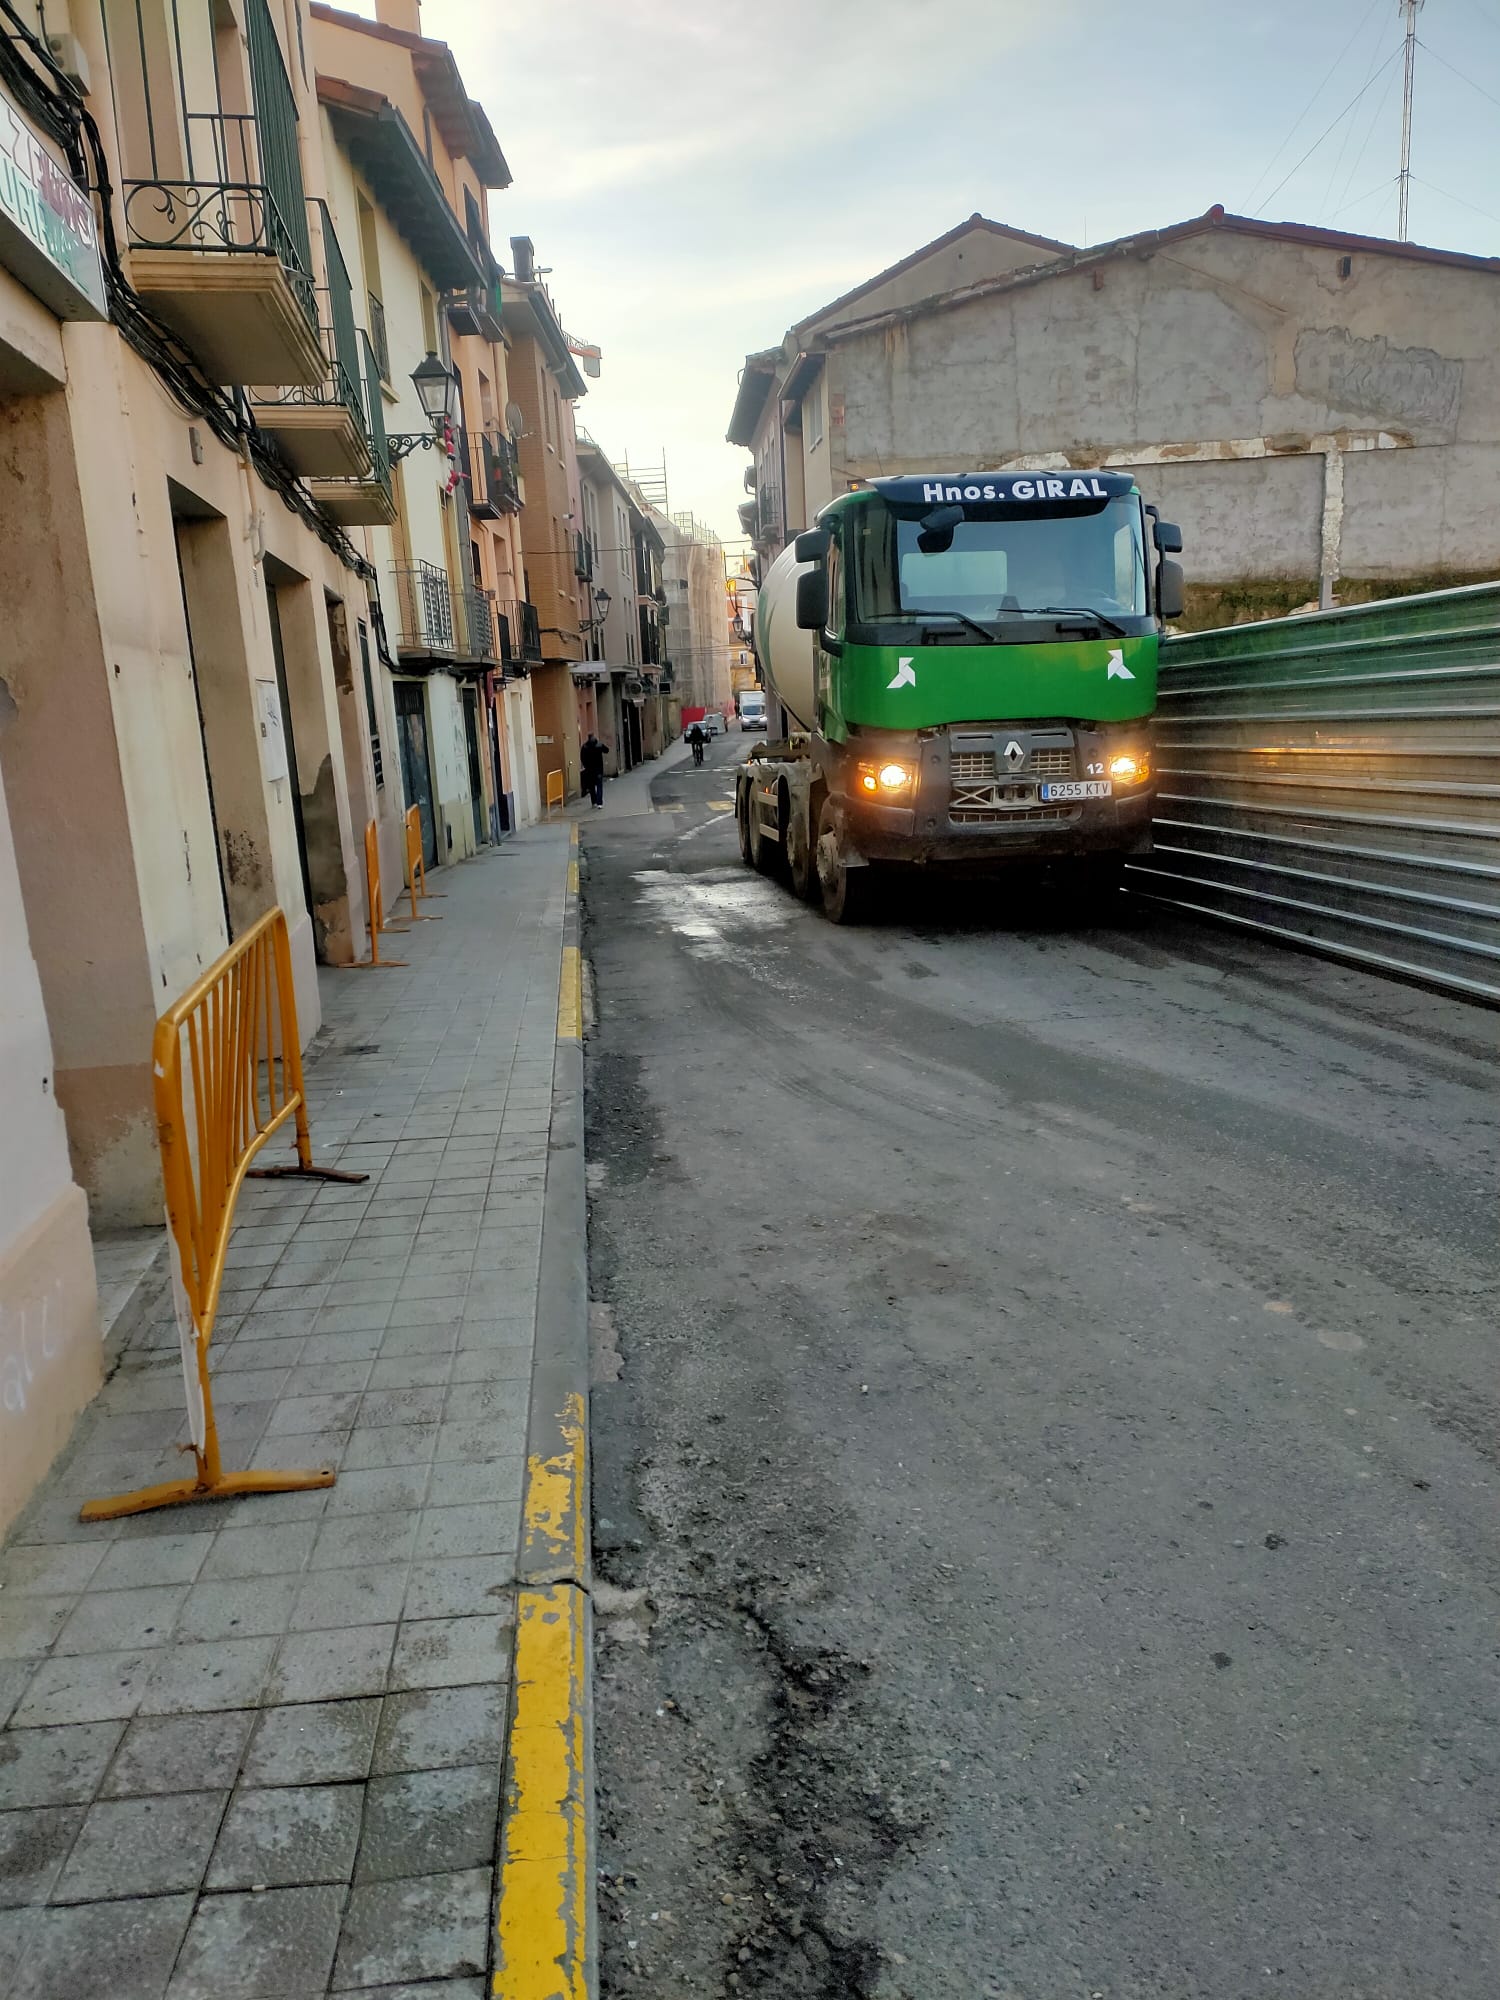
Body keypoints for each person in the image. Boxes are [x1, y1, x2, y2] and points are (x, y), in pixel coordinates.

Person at [580, 732, 606, 808]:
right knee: (599, 786)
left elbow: (582, 758)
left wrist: (585, 766)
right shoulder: (598, 745)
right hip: (598, 769)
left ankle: (594, 802)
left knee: (591, 787)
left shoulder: (585, 746)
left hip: (589, 770)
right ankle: (599, 803)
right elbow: (606, 750)